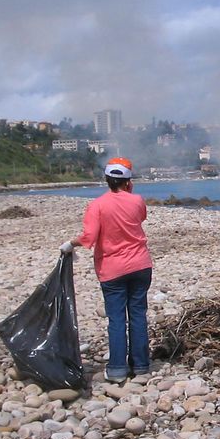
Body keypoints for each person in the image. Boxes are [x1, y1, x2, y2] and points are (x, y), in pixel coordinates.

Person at [60, 157, 153, 384]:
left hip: (112, 269)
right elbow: (140, 217)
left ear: (107, 180)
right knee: (138, 315)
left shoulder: (97, 205)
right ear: (129, 181)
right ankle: (141, 366)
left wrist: (70, 244)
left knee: (117, 319)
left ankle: (118, 369)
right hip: (141, 265)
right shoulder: (137, 200)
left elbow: (89, 237)